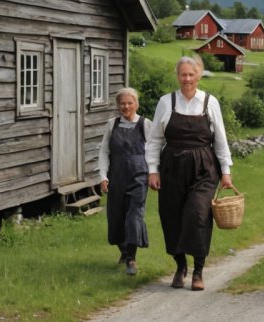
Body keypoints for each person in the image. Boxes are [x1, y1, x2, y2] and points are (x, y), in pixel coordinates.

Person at [145, 56, 234, 291]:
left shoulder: (209, 102)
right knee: (172, 217)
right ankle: (180, 265)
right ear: (177, 76)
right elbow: (154, 139)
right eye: (183, 74)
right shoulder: (166, 102)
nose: (187, 79)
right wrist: (152, 170)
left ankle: (198, 270)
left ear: (198, 76)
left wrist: (226, 171)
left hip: (203, 167)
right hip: (171, 167)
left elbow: (221, 140)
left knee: (198, 215)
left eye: (191, 74)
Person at [97, 87, 153, 276]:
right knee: (116, 216)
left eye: (130, 103)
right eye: (122, 103)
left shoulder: (145, 124)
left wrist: (154, 173)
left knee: (134, 214)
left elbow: (154, 152)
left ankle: (131, 258)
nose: (126, 106)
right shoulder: (111, 124)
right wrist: (103, 176)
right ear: (118, 106)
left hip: (139, 175)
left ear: (136, 104)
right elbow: (104, 151)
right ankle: (124, 250)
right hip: (117, 175)